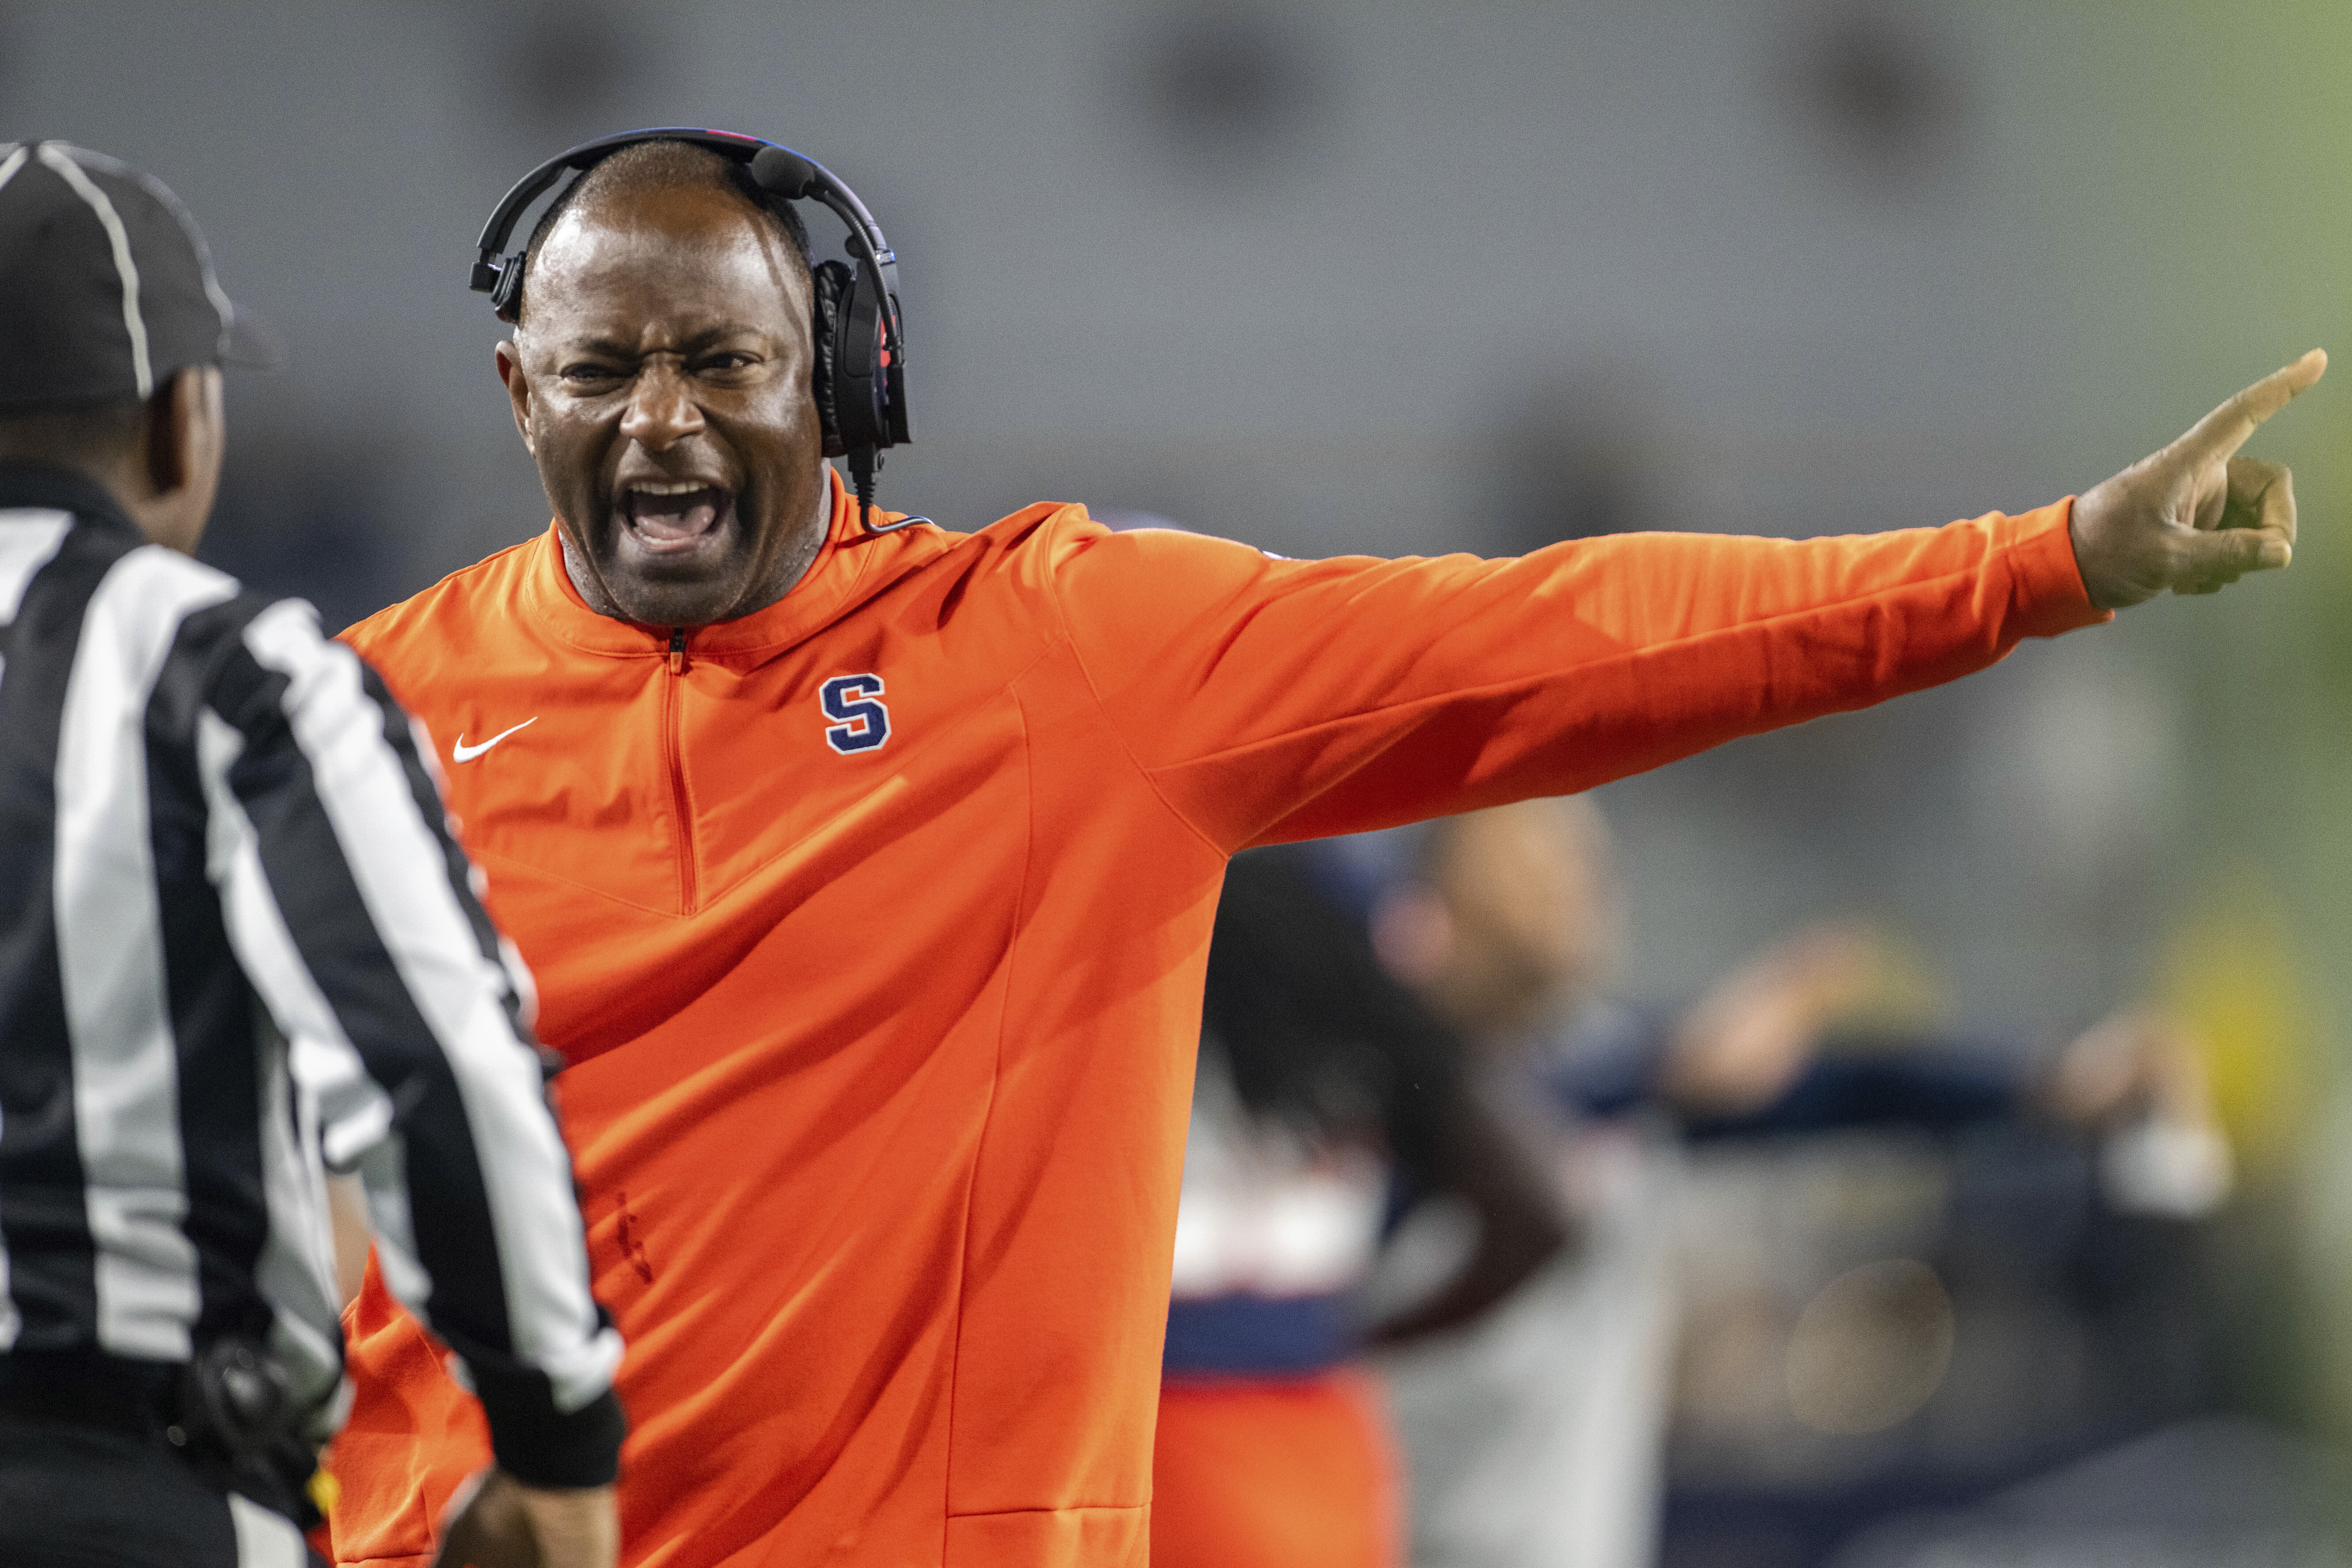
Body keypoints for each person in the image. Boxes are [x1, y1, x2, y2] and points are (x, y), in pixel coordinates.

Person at [319, 129, 2319, 1568]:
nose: (658, 425)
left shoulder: (1057, 657)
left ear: (840, 382)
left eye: (721, 365)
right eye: (600, 371)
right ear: (518, 392)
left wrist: (2040, 567)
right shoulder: (356, 708)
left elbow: (1571, 640)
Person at [0, 141, 623, 1568]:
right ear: (181, 421)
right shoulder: (226, 676)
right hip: (133, 1481)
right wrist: (554, 1445)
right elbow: (429, 1054)